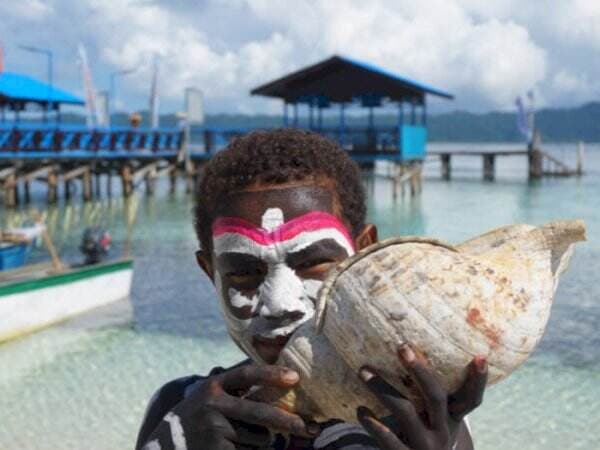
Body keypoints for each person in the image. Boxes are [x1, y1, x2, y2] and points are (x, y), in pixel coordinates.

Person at [135, 129, 488, 450]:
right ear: (211, 272)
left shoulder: (422, 424)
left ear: (363, 255)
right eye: (244, 271)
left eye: (311, 262)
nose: (280, 304)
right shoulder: (182, 413)